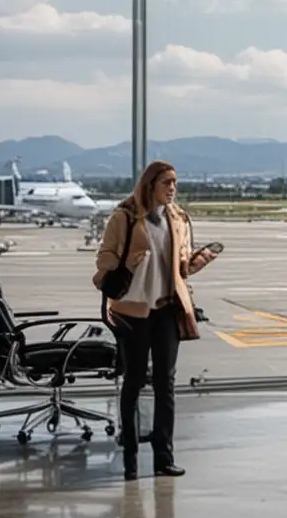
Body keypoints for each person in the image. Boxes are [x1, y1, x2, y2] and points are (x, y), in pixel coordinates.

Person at [93, 161, 218, 480]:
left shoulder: (179, 219)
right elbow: (104, 264)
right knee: (133, 382)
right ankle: (131, 458)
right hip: (131, 310)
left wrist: (199, 260)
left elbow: (182, 269)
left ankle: (164, 457)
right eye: (166, 182)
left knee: (166, 383)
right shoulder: (124, 217)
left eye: (175, 182)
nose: (173, 188)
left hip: (166, 309)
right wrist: (130, 265)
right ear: (150, 185)